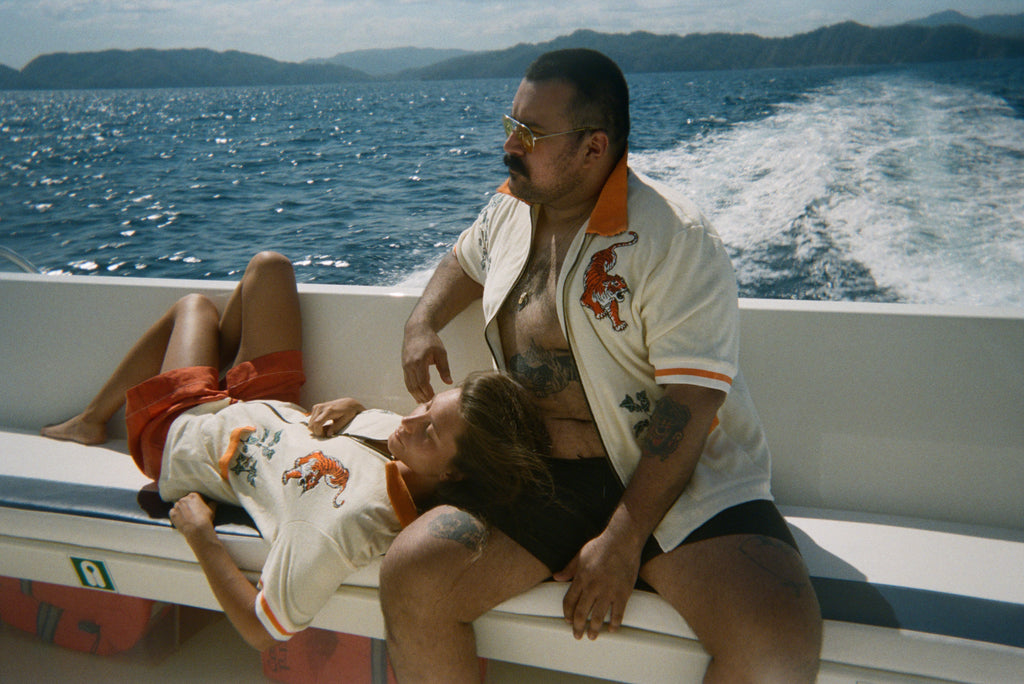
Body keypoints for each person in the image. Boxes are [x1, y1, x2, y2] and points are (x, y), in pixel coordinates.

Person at [386, 49, 823, 682]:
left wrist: (622, 540)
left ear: (594, 147)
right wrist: (421, 320)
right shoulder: (511, 207)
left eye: (531, 134)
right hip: (539, 473)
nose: (510, 145)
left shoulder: (674, 236)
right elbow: (464, 259)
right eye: (511, 125)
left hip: (670, 477)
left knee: (778, 634)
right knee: (413, 576)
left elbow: (690, 403)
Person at [41, 251, 551, 652]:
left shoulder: (339, 524)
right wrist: (354, 407)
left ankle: (90, 422)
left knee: (193, 307)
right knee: (270, 268)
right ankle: (207, 368)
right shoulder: (410, 444)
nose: (411, 419)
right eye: (429, 408)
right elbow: (396, 430)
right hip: (272, 409)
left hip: (189, 434)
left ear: (456, 477)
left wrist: (201, 537)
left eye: (429, 433)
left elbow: (265, 630)